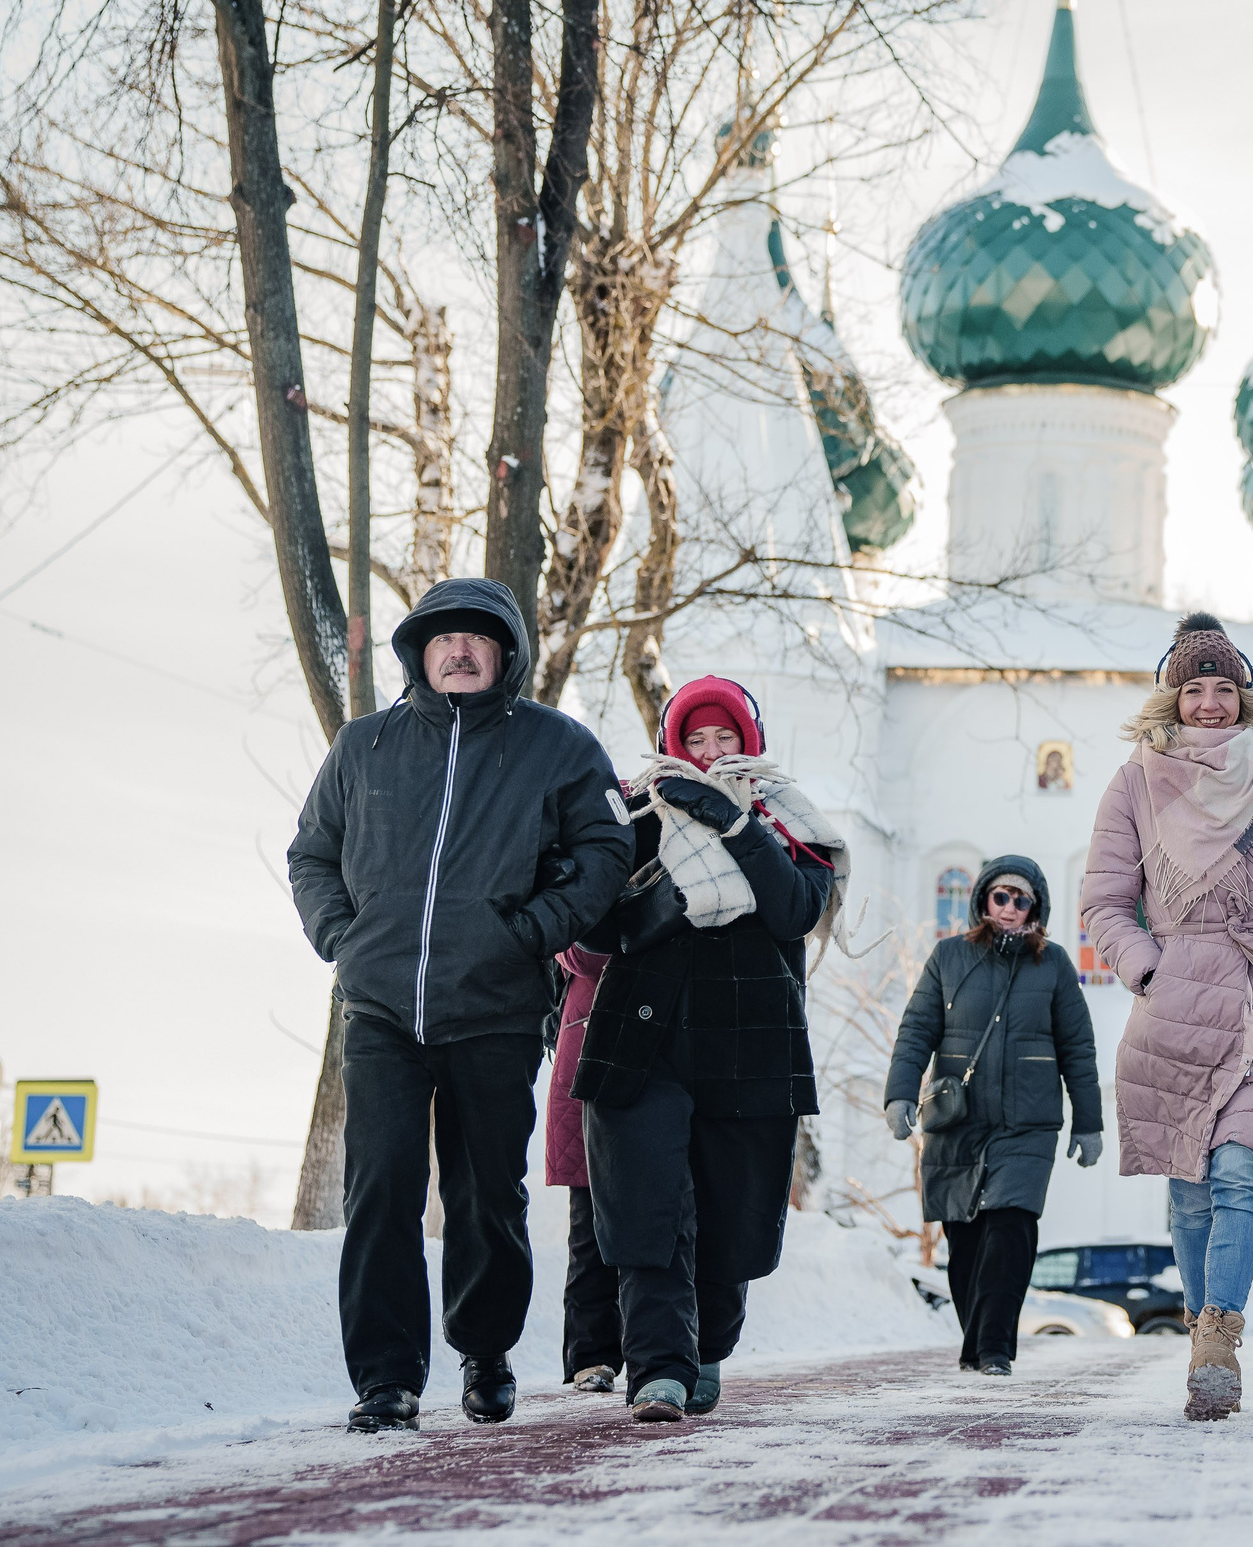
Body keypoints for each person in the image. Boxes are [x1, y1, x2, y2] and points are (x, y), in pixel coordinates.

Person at [288, 577, 636, 1434]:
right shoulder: (365, 746)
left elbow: (607, 847)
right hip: (380, 1008)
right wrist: (343, 937)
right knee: (381, 1191)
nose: (459, 649)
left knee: (486, 1195)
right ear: (419, 651)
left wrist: (532, 932)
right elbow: (312, 853)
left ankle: (485, 1350)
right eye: (443, 637)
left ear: (505, 652)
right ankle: (386, 1377)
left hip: (496, 1007)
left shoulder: (557, 746)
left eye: (477, 637)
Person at [1082, 612, 1253, 1421]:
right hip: (1180, 1004)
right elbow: (1105, 901)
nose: (1208, 702)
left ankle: (1218, 1340)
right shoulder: (1136, 781)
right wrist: (1148, 967)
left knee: (1239, 1173)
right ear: (1172, 697)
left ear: (1243, 695)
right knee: (1191, 1190)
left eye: (1223, 687)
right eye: (1193, 688)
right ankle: (1203, 1333)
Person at [570, 675, 847, 1424]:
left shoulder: (788, 818)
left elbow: (795, 908)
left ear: (749, 740)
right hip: (642, 1034)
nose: (710, 751)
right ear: (673, 744)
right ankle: (658, 1368)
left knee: (733, 1210)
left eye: (725, 737)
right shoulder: (639, 810)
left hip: (750, 1039)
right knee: (647, 1205)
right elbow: (598, 924)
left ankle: (708, 1348)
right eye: (695, 739)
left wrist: (733, 823)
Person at [882, 857, 1103, 1376]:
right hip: (959, 1121)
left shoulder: (1054, 965)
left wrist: (1088, 1122)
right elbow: (916, 1031)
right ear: (984, 899)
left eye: (1020, 899)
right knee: (965, 1239)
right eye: (1001, 896)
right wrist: (898, 1095)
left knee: (1011, 1226)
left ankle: (994, 1350)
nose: (1009, 908)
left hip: (1028, 1124)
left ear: (1035, 909)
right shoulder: (949, 957)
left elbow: (1078, 1048)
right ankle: (977, 1345)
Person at [547, 943, 620, 1393]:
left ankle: (661, 1353)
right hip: (587, 1048)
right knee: (590, 1228)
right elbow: (581, 954)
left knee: (669, 1221)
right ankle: (591, 1355)